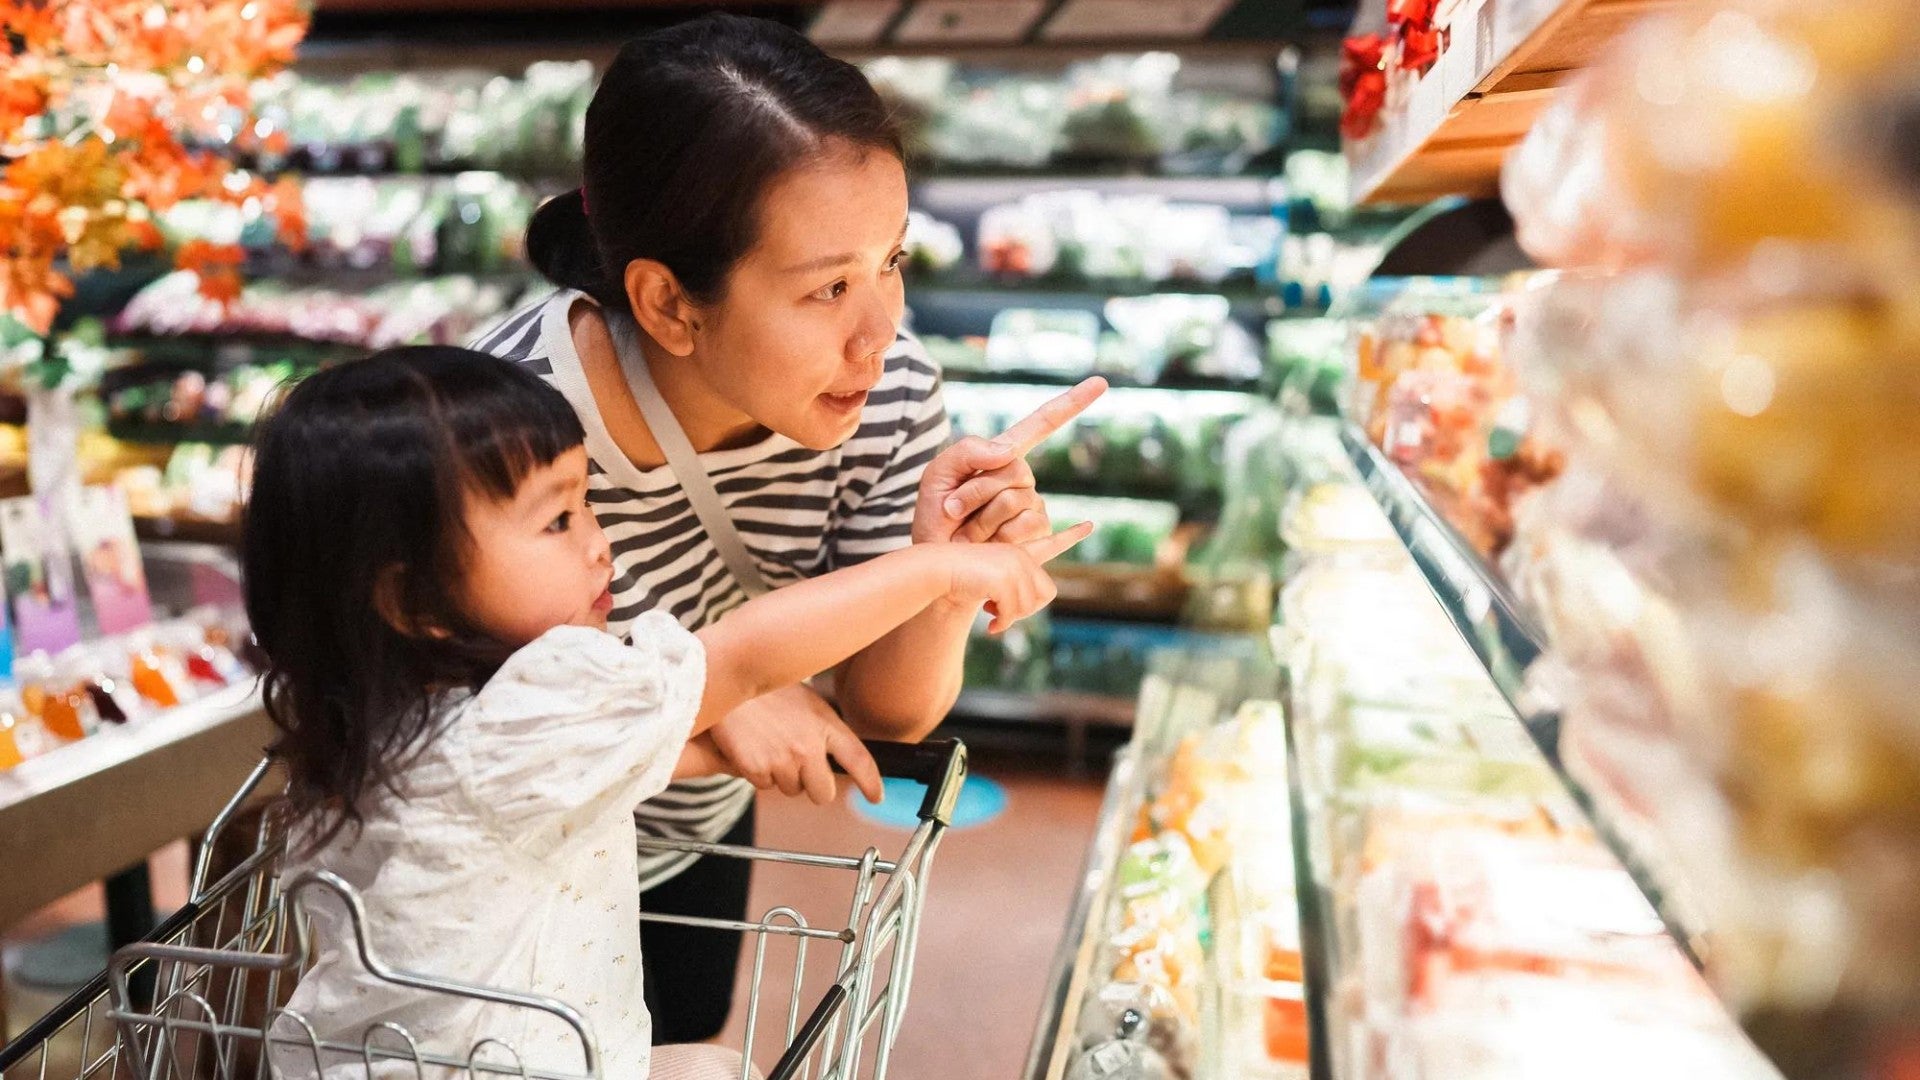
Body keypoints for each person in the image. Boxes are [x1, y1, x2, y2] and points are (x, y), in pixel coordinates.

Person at [472, 11, 1106, 1041]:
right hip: (509, 864)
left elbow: (887, 716)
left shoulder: (887, 397)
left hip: (689, 839)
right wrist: (714, 704)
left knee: (681, 1042)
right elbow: (456, 697)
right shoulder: (504, 419)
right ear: (670, 305)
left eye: (891, 262)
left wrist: (942, 570)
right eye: (828, 288)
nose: (879, 330)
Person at [245, 347, 1086, 1078]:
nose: (598, 540)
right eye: (558, 518)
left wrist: (733, 745)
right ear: (413, 599)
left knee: (718, 1067)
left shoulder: (398, 717)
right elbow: (747, 655)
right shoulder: (540, 699)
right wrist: (936, 573)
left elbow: (563, 785)